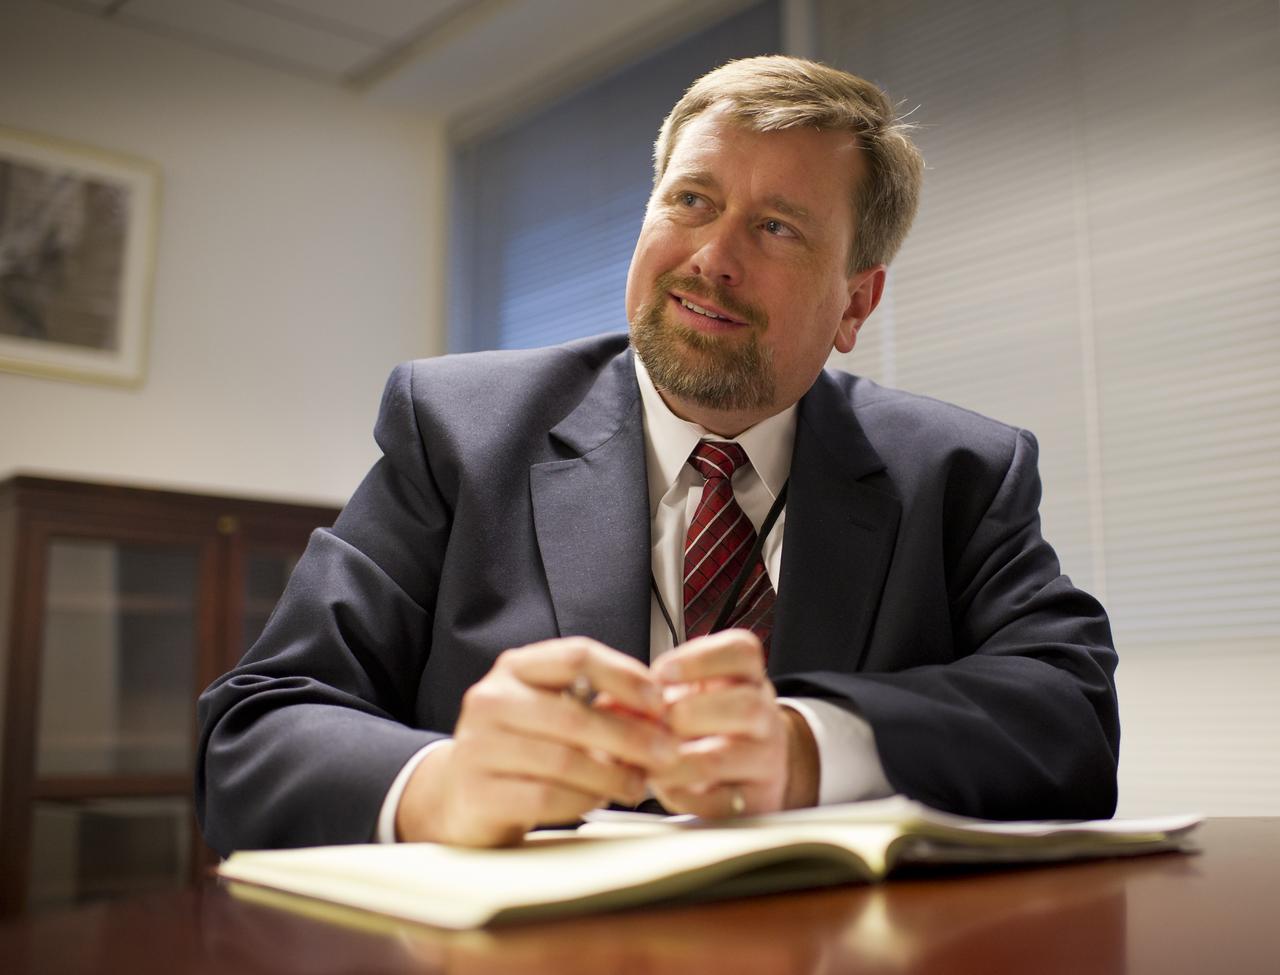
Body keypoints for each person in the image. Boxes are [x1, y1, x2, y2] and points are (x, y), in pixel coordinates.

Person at [195, 56, 1119, 855]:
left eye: (777, 226)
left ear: (855, 304)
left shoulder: (957, 471)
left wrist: (808, 748)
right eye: (691, 200)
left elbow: (1071, 713)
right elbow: (252, 729)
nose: (713, 256)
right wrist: (441, 785)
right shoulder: (457, 431)